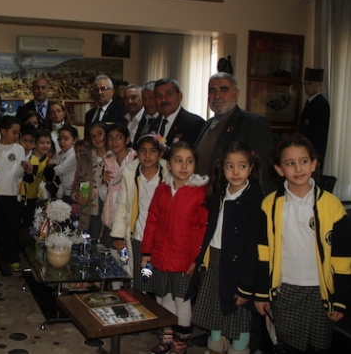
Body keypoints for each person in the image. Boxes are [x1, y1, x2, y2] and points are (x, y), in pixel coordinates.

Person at [254, 135, 351, 354]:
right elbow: (262, 253)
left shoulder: (332, 205)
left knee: (319, 345)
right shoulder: (270, 205)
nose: (298, 168)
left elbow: (342, 258)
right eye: (290, 163)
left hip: (321, 291)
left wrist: (340, 299)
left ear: (314, 164)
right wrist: (261, 293)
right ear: (279, 169)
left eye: (304, 161)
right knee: (287, 345)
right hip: (286, 288)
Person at [189, 142, 266, 354]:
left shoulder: (255, 201)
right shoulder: (219, 195)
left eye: (242, 166)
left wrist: (246, 286)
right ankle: (215, 347)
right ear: (222, 168)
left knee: (238, 318)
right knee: (215, 314)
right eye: (230, 166)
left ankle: (239, 349)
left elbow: (253, 249)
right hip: (215, 261)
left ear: (251, 168)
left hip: (239, 268)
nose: (235, 172)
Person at [140, 141, 209, 354]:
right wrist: (146, 252)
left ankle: (181, 343)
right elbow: (152, 221)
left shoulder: (200, 193)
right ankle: (167, 338)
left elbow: (204, 228)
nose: (184, 166)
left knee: (182, 301)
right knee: (164, 297)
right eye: (178, 160)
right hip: (161, 256)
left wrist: (196, 258)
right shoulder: (162, 189)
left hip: (184, 260)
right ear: (169, 164)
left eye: (189, 161)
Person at [194, 72, 274, 193]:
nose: (217, 96)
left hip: (234, 198)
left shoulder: (253, 123)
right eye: (212, 91)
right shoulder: (206, 124)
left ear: (236, 94)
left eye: (224, 90)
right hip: (201, 196)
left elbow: (261, 171)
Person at [110, 133, 166, 293]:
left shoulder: (167, 176)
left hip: (161, 238)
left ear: (160, 154)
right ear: (137, 153)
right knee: (139, 282)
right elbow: (122, 206)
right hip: (138, 235)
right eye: (143, 150)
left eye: (152, 151)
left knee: (160, 285)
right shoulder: (130, 175)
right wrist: (118, 236)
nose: (147, 156)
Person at [0, 116, 26, 277]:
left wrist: (24, 168)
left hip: (11, 195)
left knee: (7, 232)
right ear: (3, 131)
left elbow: (18, 174)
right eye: (14, 132)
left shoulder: (19, 149)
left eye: (18, 133)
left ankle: (3, 262)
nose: (17, 136)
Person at [99, 123, 137, 248]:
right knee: (111, 254)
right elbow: (103, 197)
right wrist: (104, 182)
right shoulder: (108, 162)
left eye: (119, 137)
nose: (114, 141)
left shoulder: (136, 161)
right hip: (112, 217)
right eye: (110, 138)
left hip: (131, 219)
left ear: (127, 140)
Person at [72, 123, 107, 237]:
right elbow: (79, 185)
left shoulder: (114, 156)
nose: (97, 138)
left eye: (100, 133)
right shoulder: (85, 158)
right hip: (90, 210)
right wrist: (78, 196)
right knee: (89, 239)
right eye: (93, 136)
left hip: (109, 208)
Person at [152, 78, 204, 147]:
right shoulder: (153, 124)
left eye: (169, 94)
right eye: (158, 96)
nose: (163, 100)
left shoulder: (195, 124)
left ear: (180, 96)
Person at [299, 67, 330, 164]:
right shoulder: (309, 102)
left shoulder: (321, 104)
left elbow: (320, 134)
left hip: (314, 152)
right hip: (306, 149)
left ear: (319, 84)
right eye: (305, 84)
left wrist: (317, 156)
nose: (306, 87)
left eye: (310, 83)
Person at [43, 125, 78, 201]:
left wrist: (48, 166)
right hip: (63, 188)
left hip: (71, 190)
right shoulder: (62, 153)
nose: (62, 142)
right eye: (60, 139)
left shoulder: (74, 155)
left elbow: (59, 170)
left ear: (74, 140)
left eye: (66, 139)